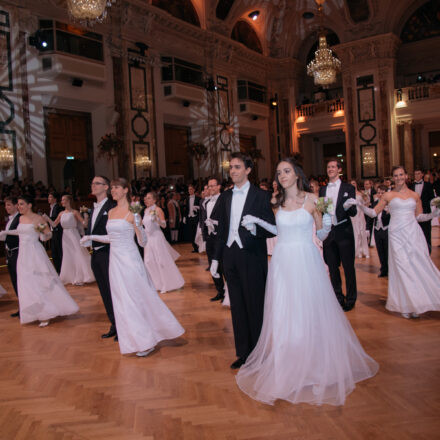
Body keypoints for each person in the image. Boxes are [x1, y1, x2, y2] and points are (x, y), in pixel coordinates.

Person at [235, 158, 378, 406]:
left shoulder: (313, 199)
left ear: (297, 174)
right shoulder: (274, 201)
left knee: (308, 312)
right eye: (279, 172)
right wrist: (256, 223)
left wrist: (329, 219)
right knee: (284, 313)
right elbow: (275, 230)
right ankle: (287, 368)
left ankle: (314, 367)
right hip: (281, 261)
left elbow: (321, 234)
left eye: (287, 171)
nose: (282, 175)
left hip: (306, 259)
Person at [80, 178, 184, 357]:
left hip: (130, 259)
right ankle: (134, 339)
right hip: (115, 261)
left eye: (117, 188)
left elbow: (142, 242)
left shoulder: (133, 211)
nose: (113, 191)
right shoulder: (111, 212)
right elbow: (112, 238)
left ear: (126, 190)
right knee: (121, 300)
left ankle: (147, 341)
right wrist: (93, 238)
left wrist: (138, 224)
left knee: (136, 298)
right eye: (112, 188)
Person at [210, 152, 275, 369]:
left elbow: (272, 230)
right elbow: (220, 231)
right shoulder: (225, 197)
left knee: (255, 305)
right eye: (231, 167)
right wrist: (216, 259)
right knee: (237, 306)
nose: (233, 171)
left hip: (252, 256)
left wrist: (255, 228)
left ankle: (259, 354)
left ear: (248, 170)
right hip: (231, 256)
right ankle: (243, 353)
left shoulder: (261, 196)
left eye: (237, 167)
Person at [355, 166, 440, 318]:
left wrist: (434, 213)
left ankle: (417, 302)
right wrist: (359, 206)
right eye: (396, 175)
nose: (399, 177)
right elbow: (374, 212)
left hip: (413, 234)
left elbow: (419, 217)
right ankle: (408, 304)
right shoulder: (388, 195)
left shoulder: (415, 195)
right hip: (396, 235)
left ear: (406, 176)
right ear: (393, 178)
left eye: (401, 174)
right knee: (402, 267)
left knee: (417, 266)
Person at [0, 196, 79, 327]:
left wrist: (42, 235)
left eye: (21, 204)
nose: (19, 207)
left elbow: (48, 234)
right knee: (26, 282)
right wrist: (7, 232)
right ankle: (35, 312)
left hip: (34, 252)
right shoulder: (20, 218)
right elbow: (21, 232)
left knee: (40, 281)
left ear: (30, 205)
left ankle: (46, 313)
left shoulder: (37, 219)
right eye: (18, 205)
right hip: (23, 255)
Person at [319, 159, 358, 311]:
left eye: (333, 167)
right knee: (332, 267)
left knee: (348, 267)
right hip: (329, 233)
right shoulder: (323, 190)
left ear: (339, 169)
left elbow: (353, 213)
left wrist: (348, 206)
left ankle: (351, 298)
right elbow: (322, 211)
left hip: (344, 232)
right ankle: (338, 297)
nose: (330, 169)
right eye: (328, 167)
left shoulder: (348, 187)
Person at [86, 176, 117, 339]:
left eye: (97, 183)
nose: (93, 186)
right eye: (92, 183)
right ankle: (113, 323)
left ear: (106, 187)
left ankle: (121, 325)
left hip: (108, 253)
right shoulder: (94, 208)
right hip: (96, 254)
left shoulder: (112, 206)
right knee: (104, 291)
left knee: (113, 290)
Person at [45, 194, 95, 286]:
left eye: (63, 200)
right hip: (65, 236)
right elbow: (54, 224)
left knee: (77, 253)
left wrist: (86, 217)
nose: (62, 201)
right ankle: (70, 276)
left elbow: (84, 224)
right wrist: (47, 219)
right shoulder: (61, 213)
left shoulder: (75, 212)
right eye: (61, 200)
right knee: (68, 255)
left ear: (68, 201)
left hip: (73, 234)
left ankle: (80, 276)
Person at [142, 192, 184, 293]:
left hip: (157, 238)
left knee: (161, 261)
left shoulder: (158, 210)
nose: (146, 200)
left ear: (154, 200)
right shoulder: (146, 210)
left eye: (148, 198)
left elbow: (164, 225)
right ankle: (156, 283)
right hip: (148, 238)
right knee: (148, 261)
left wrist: (157, 220)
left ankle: (166, 284)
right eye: (145, 198)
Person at [203, 178, 225, 302]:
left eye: (213, 186)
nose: (210, 188)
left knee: (223, 265)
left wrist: (216, 224)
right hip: (210, 238)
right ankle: (220, 291)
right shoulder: (207, 203)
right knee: (212, 265)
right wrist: (206, 236)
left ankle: (228, 293)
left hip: (221, 238)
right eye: (209, 186)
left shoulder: (224, 200)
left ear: (218, 187)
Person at [1, 196, 20, 317]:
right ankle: (21, 307)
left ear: (15, 205)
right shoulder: (10, 219)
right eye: (5, 205)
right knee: (14, 281)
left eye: (8, 205)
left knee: (19, 281)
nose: (6, 207)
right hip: (10, 254)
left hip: (17, 253)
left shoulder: (19, 218)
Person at [410, 168, 435, 253]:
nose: (417, 175)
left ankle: (428, 252)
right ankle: (418, 253)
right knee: (415, 234)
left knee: (426, 234)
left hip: (425, 213)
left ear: (422, 174)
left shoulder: (428, 185)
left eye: (418, 173)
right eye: (415, 174)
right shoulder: (411, 186)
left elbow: (432, 199)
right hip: (414, 214)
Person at [372, 185, 390, 278]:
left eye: (382, 193)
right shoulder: (375, 203)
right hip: (377, 229)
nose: (380, 194)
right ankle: (383, 269)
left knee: (387, 251)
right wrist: (368, 228)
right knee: (380, 251)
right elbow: (370, 216)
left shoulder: (390, 204)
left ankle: (390, 269)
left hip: (386, 229)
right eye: (378, 192)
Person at [349, 180, 369, 259]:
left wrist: (365, 198)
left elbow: (366, 202)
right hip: (353, 215)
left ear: (356, 184)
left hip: (360, 214)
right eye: (351, 184)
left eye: (354, 183)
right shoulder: (350, 194)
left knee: (362, 232)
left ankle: (364, 251)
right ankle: (357, 251)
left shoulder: (361, 193)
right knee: (355, 232)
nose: (353, 185)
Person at [47, 192, 63, 274]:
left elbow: (54, 219)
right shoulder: (52, 208)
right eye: (48, 197)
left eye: (50, 197)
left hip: (57, 233)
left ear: (55, 199)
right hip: (53, 233)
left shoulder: (57, 208)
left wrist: (46, 218)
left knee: (58, 252)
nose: (48, 199)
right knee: (54, 253)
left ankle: (60, 271)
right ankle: (58, 270)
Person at [183, 184, 200, 252]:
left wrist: (197, 209)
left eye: (191, 189)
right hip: (189, 218)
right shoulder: (187, 199)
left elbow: (200, 208)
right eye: (189, 189)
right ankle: (195, 248)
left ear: (194, 190)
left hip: (195, 217)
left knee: (197, 233)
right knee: (191, 233)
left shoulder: (198, 198)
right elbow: (186, 209)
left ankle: (199, 246)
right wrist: (184, 217)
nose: (190, 191)